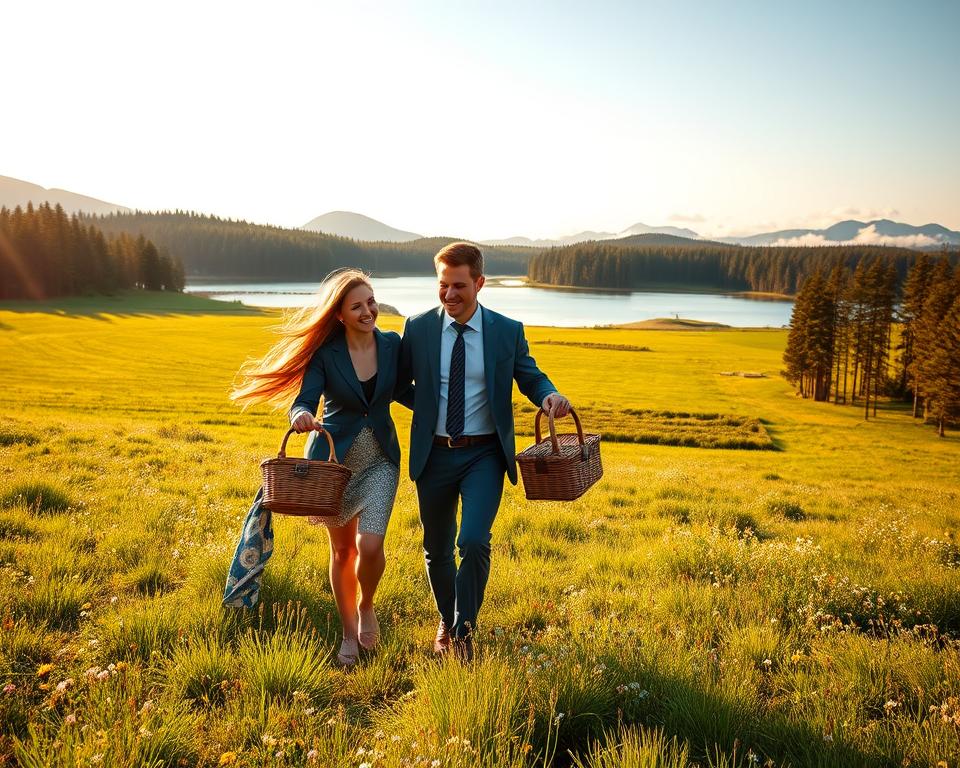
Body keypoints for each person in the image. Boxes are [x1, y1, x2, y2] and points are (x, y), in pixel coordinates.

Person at [398, 242, 572, 661]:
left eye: (459, 286)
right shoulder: (418, 328)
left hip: (484, 457)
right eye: (443, 285)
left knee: (473, 541)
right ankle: (447, 618)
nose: (450, 295)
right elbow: (397, 382)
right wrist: (425, 407)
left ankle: (463, 630)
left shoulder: (506, 330)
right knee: (436, 549)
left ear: (479, 282)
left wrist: (549, 395)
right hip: (434, 454)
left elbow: (530, 376)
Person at [231, 269, 404, 667]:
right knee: (343, 551)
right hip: (333, 466)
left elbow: (410, 392)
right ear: (340, 314)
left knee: (370, 545)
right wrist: (302, 415)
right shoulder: (327, 355)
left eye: (372, 301)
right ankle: (347, 632)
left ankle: (367, 605)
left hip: (381, 460)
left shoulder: (392, 346)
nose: (368, 310)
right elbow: (304, 399)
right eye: (357, 306)